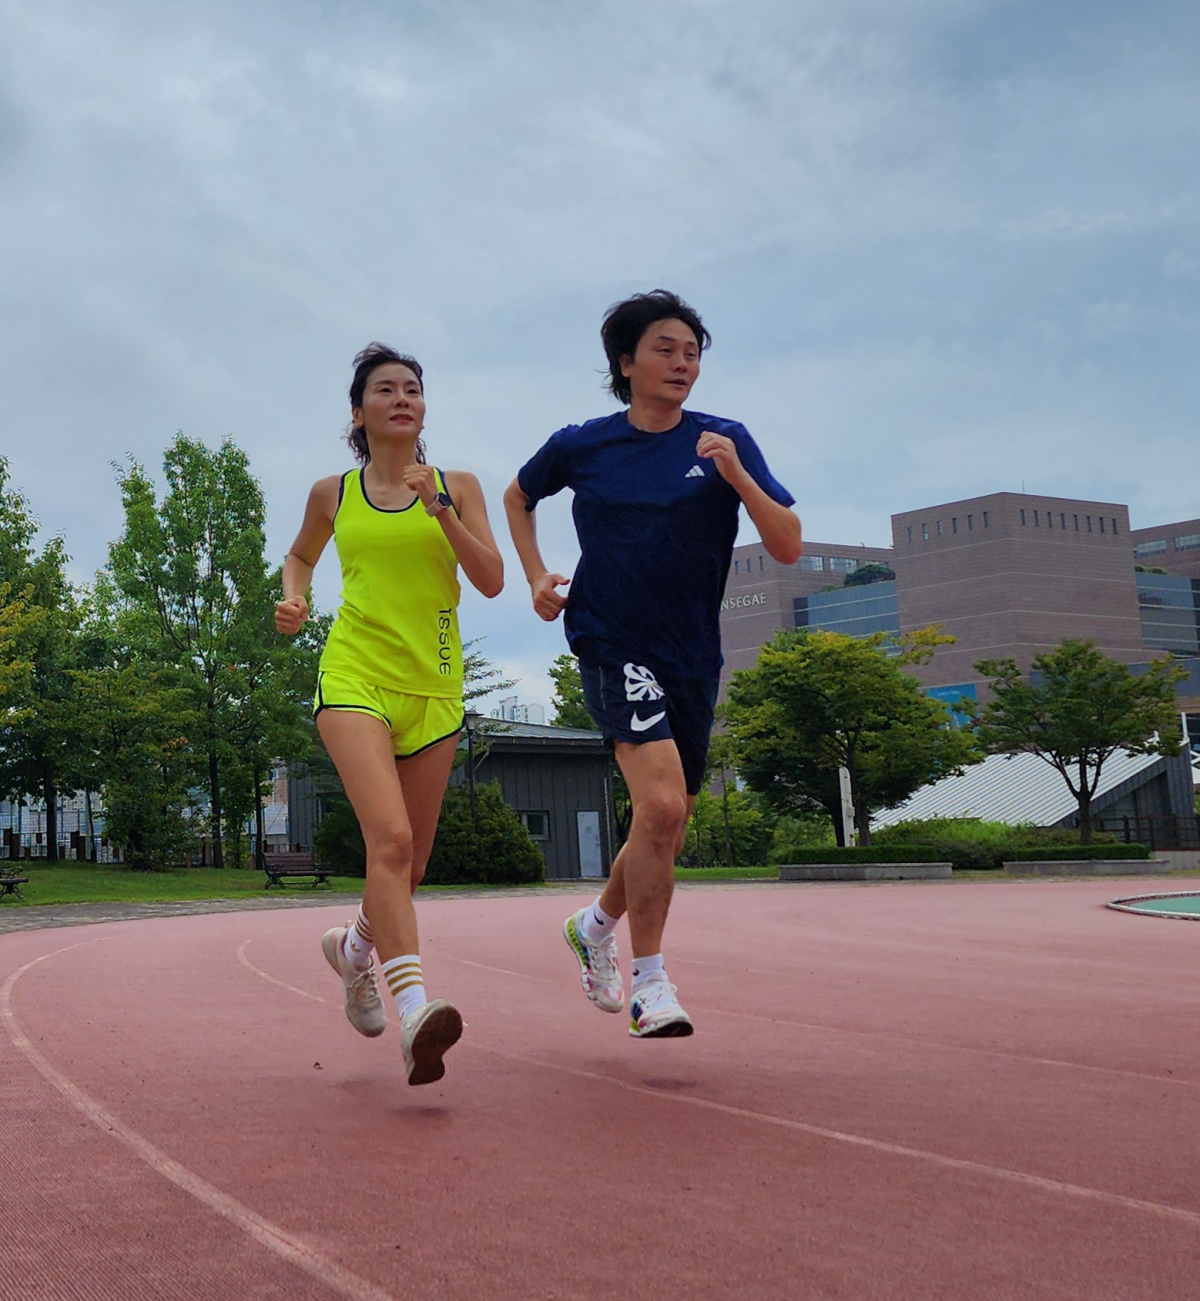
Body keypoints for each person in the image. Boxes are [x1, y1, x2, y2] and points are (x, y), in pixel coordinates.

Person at [504, 290, 800, 1038]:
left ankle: (595, 924)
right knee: (662, 807)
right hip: (611, 638)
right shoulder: (584, 443)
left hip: (692, 653)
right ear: (626, 361)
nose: (682, 362)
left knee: (667, 822)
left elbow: (789, 541)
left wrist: (737, 477)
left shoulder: (723, 439)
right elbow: (518, 495)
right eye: (665, 348)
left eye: (693, 351)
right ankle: (651, 984)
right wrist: (537, 574)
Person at [276, 343, 503, 1085]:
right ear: (358, 411)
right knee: (391, 836)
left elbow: (492, 580)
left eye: (413, 388)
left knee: (408, 866)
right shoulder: (332, 494)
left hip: (433, 687)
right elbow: (301, 556)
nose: (403, 398)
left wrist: (438, 507)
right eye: (385, 389)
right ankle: (415, 1013)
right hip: (354, 676)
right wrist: (296, 595)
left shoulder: (457, 485)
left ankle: (353, 951)